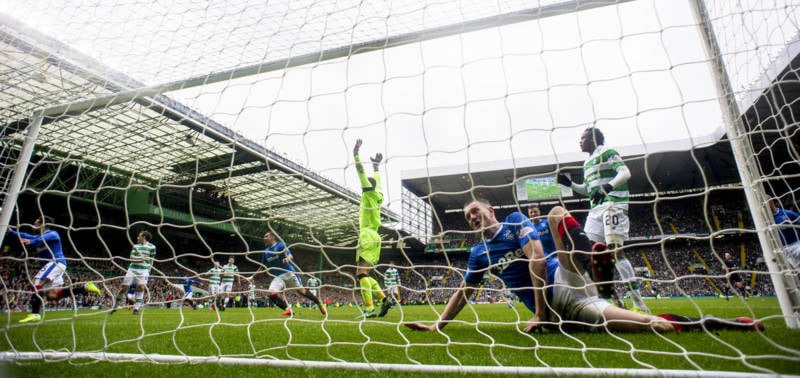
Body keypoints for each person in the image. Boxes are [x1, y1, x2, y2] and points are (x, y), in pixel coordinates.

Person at [540, 206, 763, 333]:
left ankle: (596, 271)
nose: (532, 212)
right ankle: (721, 322)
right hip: (565, 306)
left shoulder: (522, 228)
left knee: (556, 212)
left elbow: (537, 259)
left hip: (568, 277)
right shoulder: (507, 243)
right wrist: (541, 314)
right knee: (655, 325)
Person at [404, 198, 550, 332]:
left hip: (560, 284)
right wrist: (434, 327)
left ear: (491, 211)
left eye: (475, 211)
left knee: (557, 212)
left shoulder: (514, 221)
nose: (472, 217)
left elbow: (538, 259)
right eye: (468, 216)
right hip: (552, 314)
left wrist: (539, 313)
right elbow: (462, 295)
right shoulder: (478, 253)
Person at [556, 127, 648, 313]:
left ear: (593, 139)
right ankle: (616, 302)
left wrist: (607, 186)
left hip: (613, 204)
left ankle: (640, 305)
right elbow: (589, 190)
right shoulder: (587, 162)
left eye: (582, 138)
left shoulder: (607, 152)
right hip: (596, 210)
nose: (579, 141)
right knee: (591, 255)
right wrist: (571, 185)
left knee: (616, 252)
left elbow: (625, 172)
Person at [8, 216, 102, 323]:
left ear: (43, 224)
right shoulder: (38, 237)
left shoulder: (53, 234)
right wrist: (11, 232)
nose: (33, 224)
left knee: (37, 282)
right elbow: (25, 235)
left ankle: (35, 314)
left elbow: (41, 239)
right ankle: (85, 288)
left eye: (36, 222)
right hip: (55, 265)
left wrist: (32, 241)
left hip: (56, 262)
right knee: (52, 296)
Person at [353, 138, 392, 319]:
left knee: (360, 273)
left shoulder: (368, 191)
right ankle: (384, 299)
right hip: (376, 235)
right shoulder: (379, 195)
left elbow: (360, 171)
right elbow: (378, 182)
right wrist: (376, 167)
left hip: (367, 234)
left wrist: (356, 153)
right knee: (365, 273)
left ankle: (369, 309)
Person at [260, 231, 326, 316]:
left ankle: (318, 302)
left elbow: (290, 255)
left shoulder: (280, 245)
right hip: (278, 276)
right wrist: (251, 277)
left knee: (301, 291)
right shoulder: (265, 252)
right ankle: (288, 310)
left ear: (273, 237)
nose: (264, 238)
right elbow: (261, 266)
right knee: (271, 294)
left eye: (266, 236)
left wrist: (287, 259)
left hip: (289, 273)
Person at [110, 230, 156, 315]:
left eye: (139, 236)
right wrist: (140, 259)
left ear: (143, 237)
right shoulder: (135, 246)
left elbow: (152, 259)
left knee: (142, 287)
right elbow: (131, 257)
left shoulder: (152, 247)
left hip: (144, 270)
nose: (137, 237)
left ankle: (136, 309)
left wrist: (149, 270)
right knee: (124, 287)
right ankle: (115, 307)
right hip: (132, 269)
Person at [769, 198, 800, 269]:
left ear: (771, 202)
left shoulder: (787, 213)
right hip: (784, 249)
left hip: (796, 244)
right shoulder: (767, 221)